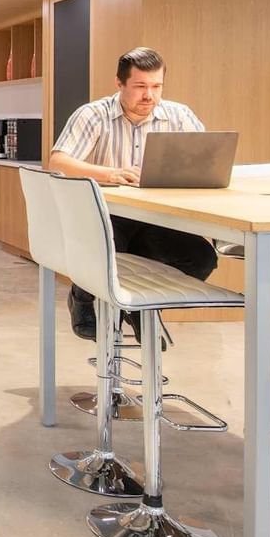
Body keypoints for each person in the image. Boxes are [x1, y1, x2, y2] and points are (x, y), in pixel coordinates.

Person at [49, 47, 217, 341]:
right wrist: (109, 173)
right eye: (140, 86)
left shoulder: (179, 116)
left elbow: (206, 159)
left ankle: (141, 307)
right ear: (119, 83)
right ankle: (83, 297)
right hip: (106, 214)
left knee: (201, 258)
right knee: (109, 246)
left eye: (156, 86)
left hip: (157, 218)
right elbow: (58, 161)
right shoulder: (94, 115)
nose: (149, 95)